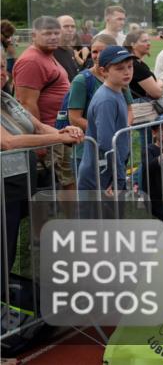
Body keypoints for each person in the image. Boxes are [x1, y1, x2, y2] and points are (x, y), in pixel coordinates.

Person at [1, 62, 84, 290]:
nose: (1, 72)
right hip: (4, 186)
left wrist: (65, 132)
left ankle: (8, 289)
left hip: (20, 181)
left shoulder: (6, 99)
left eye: (2, 66)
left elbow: (37, 127)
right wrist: (58, 138)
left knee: (12, 241)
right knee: (3, 243)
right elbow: (7, 142)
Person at [13, 16, 73, 189]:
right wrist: (39, 142)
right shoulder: (32, 61)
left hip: (57, 131)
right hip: (47, 135)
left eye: (56, 33)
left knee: (65, 181)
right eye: (47, 33)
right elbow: (26, 104)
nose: (53, 37)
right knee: (52, 186)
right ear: (34, 35)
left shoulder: (47, 55)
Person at [63, 33, 135, 173]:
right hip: (88, 151)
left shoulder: (119, 77)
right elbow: (74, 118)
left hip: (116, 147)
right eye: (94, 51)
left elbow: (129, 110)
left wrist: (121, 130)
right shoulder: (82, 80)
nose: (97, 56)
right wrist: (105, 131)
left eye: (103, 51)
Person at [77, 46, 133, 193]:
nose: (127, 72)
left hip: (109, 170)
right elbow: (106, 144)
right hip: (101, 175)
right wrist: (118, 178)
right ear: (103, 71)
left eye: (130, 66)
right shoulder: (106, 100)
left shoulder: (117, 91)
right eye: (119, 68)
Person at [124, 30, 163, 125]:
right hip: (142, 111)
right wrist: (160, 82)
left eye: (149, 40)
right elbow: (157, 93)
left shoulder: (138, 63)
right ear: (133, 44)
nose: (149, 43)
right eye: (144, 41)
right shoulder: (135, 65)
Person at [54, 15, 81, 82]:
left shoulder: (71, 51)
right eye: (66, 26)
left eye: (73, 26)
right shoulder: (50, 52)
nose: (70, 29)